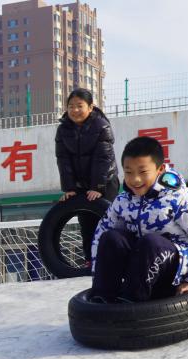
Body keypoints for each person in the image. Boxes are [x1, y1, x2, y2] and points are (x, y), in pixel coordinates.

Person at [90, 136, 188, 303]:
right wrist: (99, 274)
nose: (135, 179)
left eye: (143, 172)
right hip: (138, 269)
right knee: (111, 238)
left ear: (160, 169)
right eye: (129, 172)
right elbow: (101, 235)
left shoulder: (182, 198)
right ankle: (102, 299)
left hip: (172, 271)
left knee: (151, 243)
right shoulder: (122, 201)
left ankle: (131, 304)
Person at [55, 88, 120, 261]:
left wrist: (97, 187)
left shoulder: (101, 125)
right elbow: (63, 160)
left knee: (107, 222)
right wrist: (69, 188)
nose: (75, 110)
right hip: (82, 185)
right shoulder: (63, 129)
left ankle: (114, 261)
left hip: (105, 183)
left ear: (90, 107)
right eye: (71, 106)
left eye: (80, 105)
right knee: (86, 225)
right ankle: (90, 261)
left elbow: (103, 158)